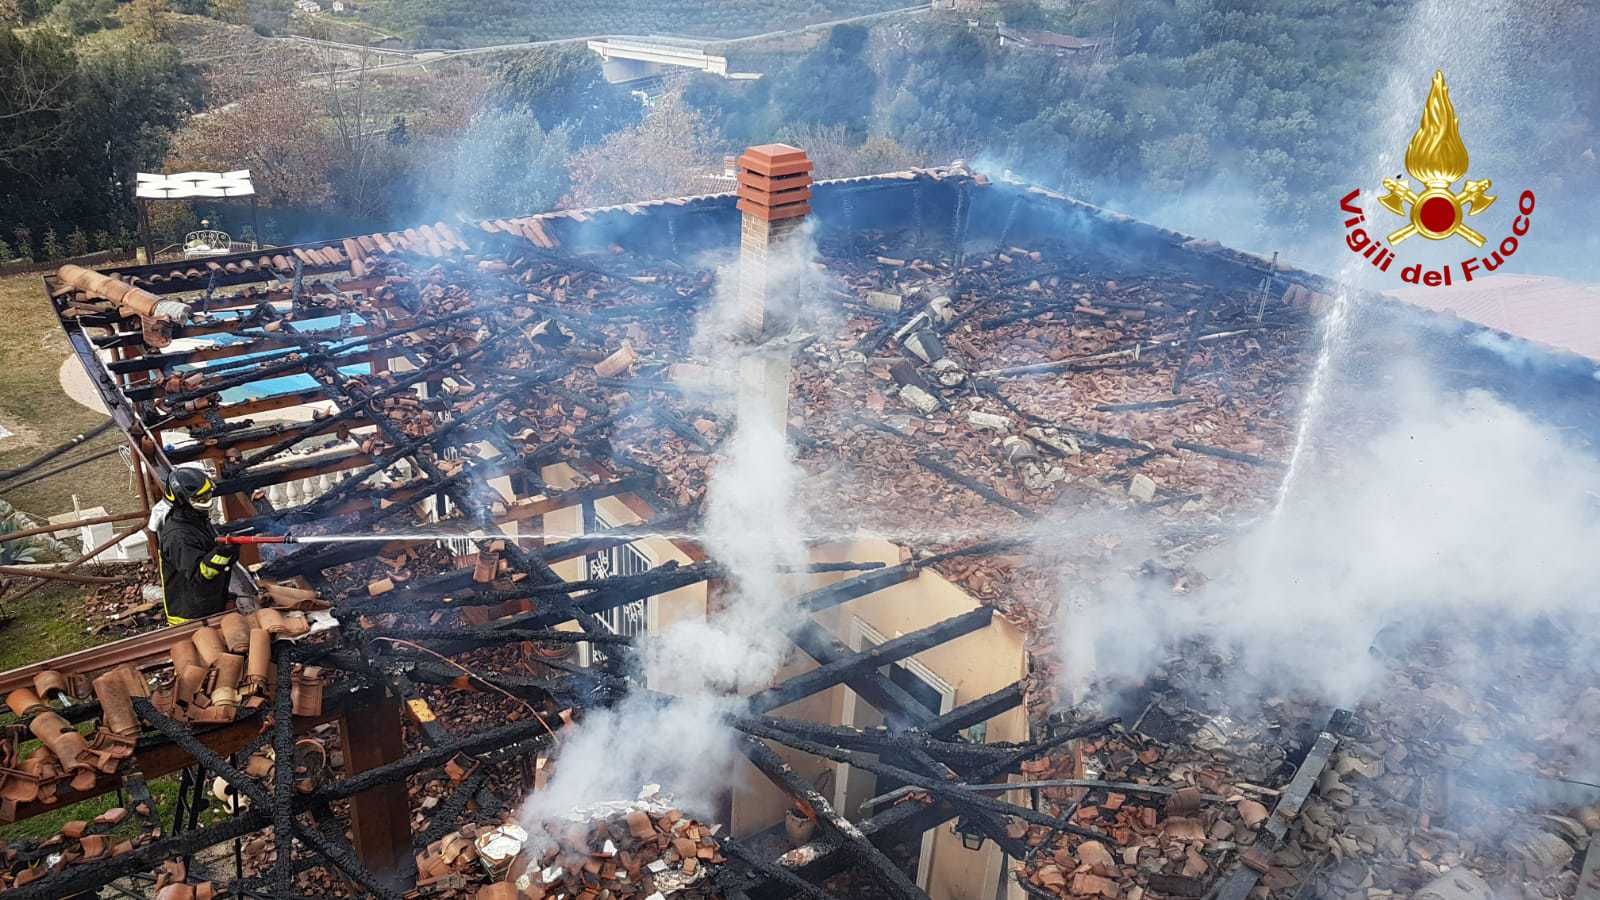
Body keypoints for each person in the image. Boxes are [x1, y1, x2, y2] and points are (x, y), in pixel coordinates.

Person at [157, 468, 236, 625]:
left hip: (207, 605)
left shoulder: (195, 519)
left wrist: (231, 550)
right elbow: (199, 573)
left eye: (208, 495)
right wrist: (223, 552)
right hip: (190, 618)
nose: (207, 500)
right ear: (184, 501)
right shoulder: (178, 536)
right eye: (202, 498)